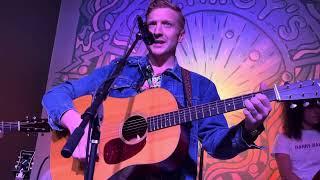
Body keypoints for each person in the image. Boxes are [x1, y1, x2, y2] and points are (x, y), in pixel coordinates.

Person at [42, 0, 272, 179]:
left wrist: (250, 127)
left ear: (180, 35)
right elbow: (54, 95)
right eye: (152, 24)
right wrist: (74, 124)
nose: (158, 31)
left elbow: (217, 145)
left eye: (167, 25)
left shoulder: (200, 87)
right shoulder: (119, 71)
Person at [272, 99, 320, 180]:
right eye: (310, 107)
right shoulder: (283, 139)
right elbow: (287, 175)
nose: (317, 111)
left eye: (319, 106)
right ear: (297, 109)